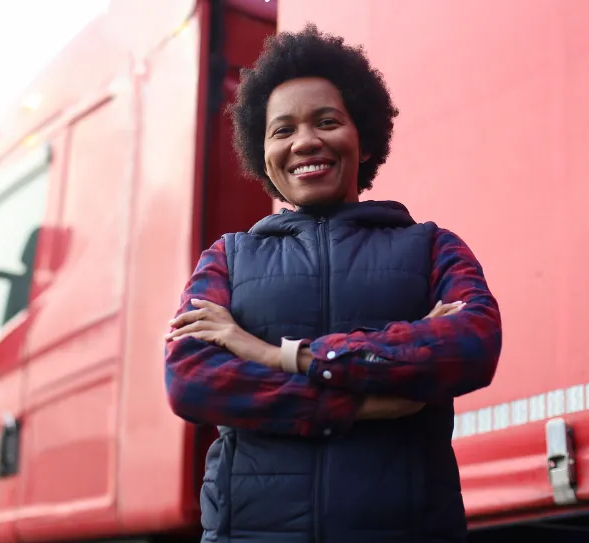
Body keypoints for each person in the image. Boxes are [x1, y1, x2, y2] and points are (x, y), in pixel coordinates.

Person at [164, 23, 502, 543]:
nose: (305, 141)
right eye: (282, 130)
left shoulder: (432, 247)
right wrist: (364, 401)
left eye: (326, 121)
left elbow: (470, 345)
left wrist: (275, 354)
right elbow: (193, 380)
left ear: (362, 139)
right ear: (264, 155)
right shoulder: (226, 260)